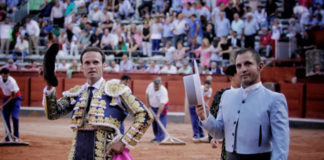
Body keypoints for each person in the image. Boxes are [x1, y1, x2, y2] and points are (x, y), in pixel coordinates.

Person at [43, 47, 153, 159]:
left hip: (105, 156)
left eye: (96, 62)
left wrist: (123, 142)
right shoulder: (77, 93)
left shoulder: (117, 91)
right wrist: (49, 86)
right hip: (76, 155)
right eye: (87, 63)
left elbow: (145, 114)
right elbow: (53, 113)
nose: (91, 66)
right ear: (82, 67)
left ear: (103, 65)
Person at [196, 48, 289, 160]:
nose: (243, 69)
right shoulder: (226, 96)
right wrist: (205, 116)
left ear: (260, 66)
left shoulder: (275, 99)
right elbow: (219, 133)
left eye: (248, 64)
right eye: (239, 66)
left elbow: (281, 146)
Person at [209, 64, 241, 160]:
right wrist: (213, 137)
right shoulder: (221, 95)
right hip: (228, 142)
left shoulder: (251, 94)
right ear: (231, 77)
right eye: (239, 74)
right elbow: (214, 115)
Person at [0, 68, 22, 142]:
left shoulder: (12, 81)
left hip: (15, 98)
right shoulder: (0, 79)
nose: (5, 78)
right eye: (3, 76)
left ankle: (16, 137)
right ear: (1, 75)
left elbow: (13, 96)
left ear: (8, 75)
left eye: (6, 76)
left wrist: (3, 105)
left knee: (14, 117)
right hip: (6, 98)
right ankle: (8, 136)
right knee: (6, 118)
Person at [146, 77, 169, 143]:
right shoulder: (150, 86)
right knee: (154, 122)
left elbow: (162, 104)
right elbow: (147, 94)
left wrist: (158, 114)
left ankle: (161, 138)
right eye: (155, 86)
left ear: (160, 85)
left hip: (162, 107)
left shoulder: (163, 91)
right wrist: (148, 104)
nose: (155, 87)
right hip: (152, 106)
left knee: (161, 120)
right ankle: (156, 137)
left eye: (157, 86)